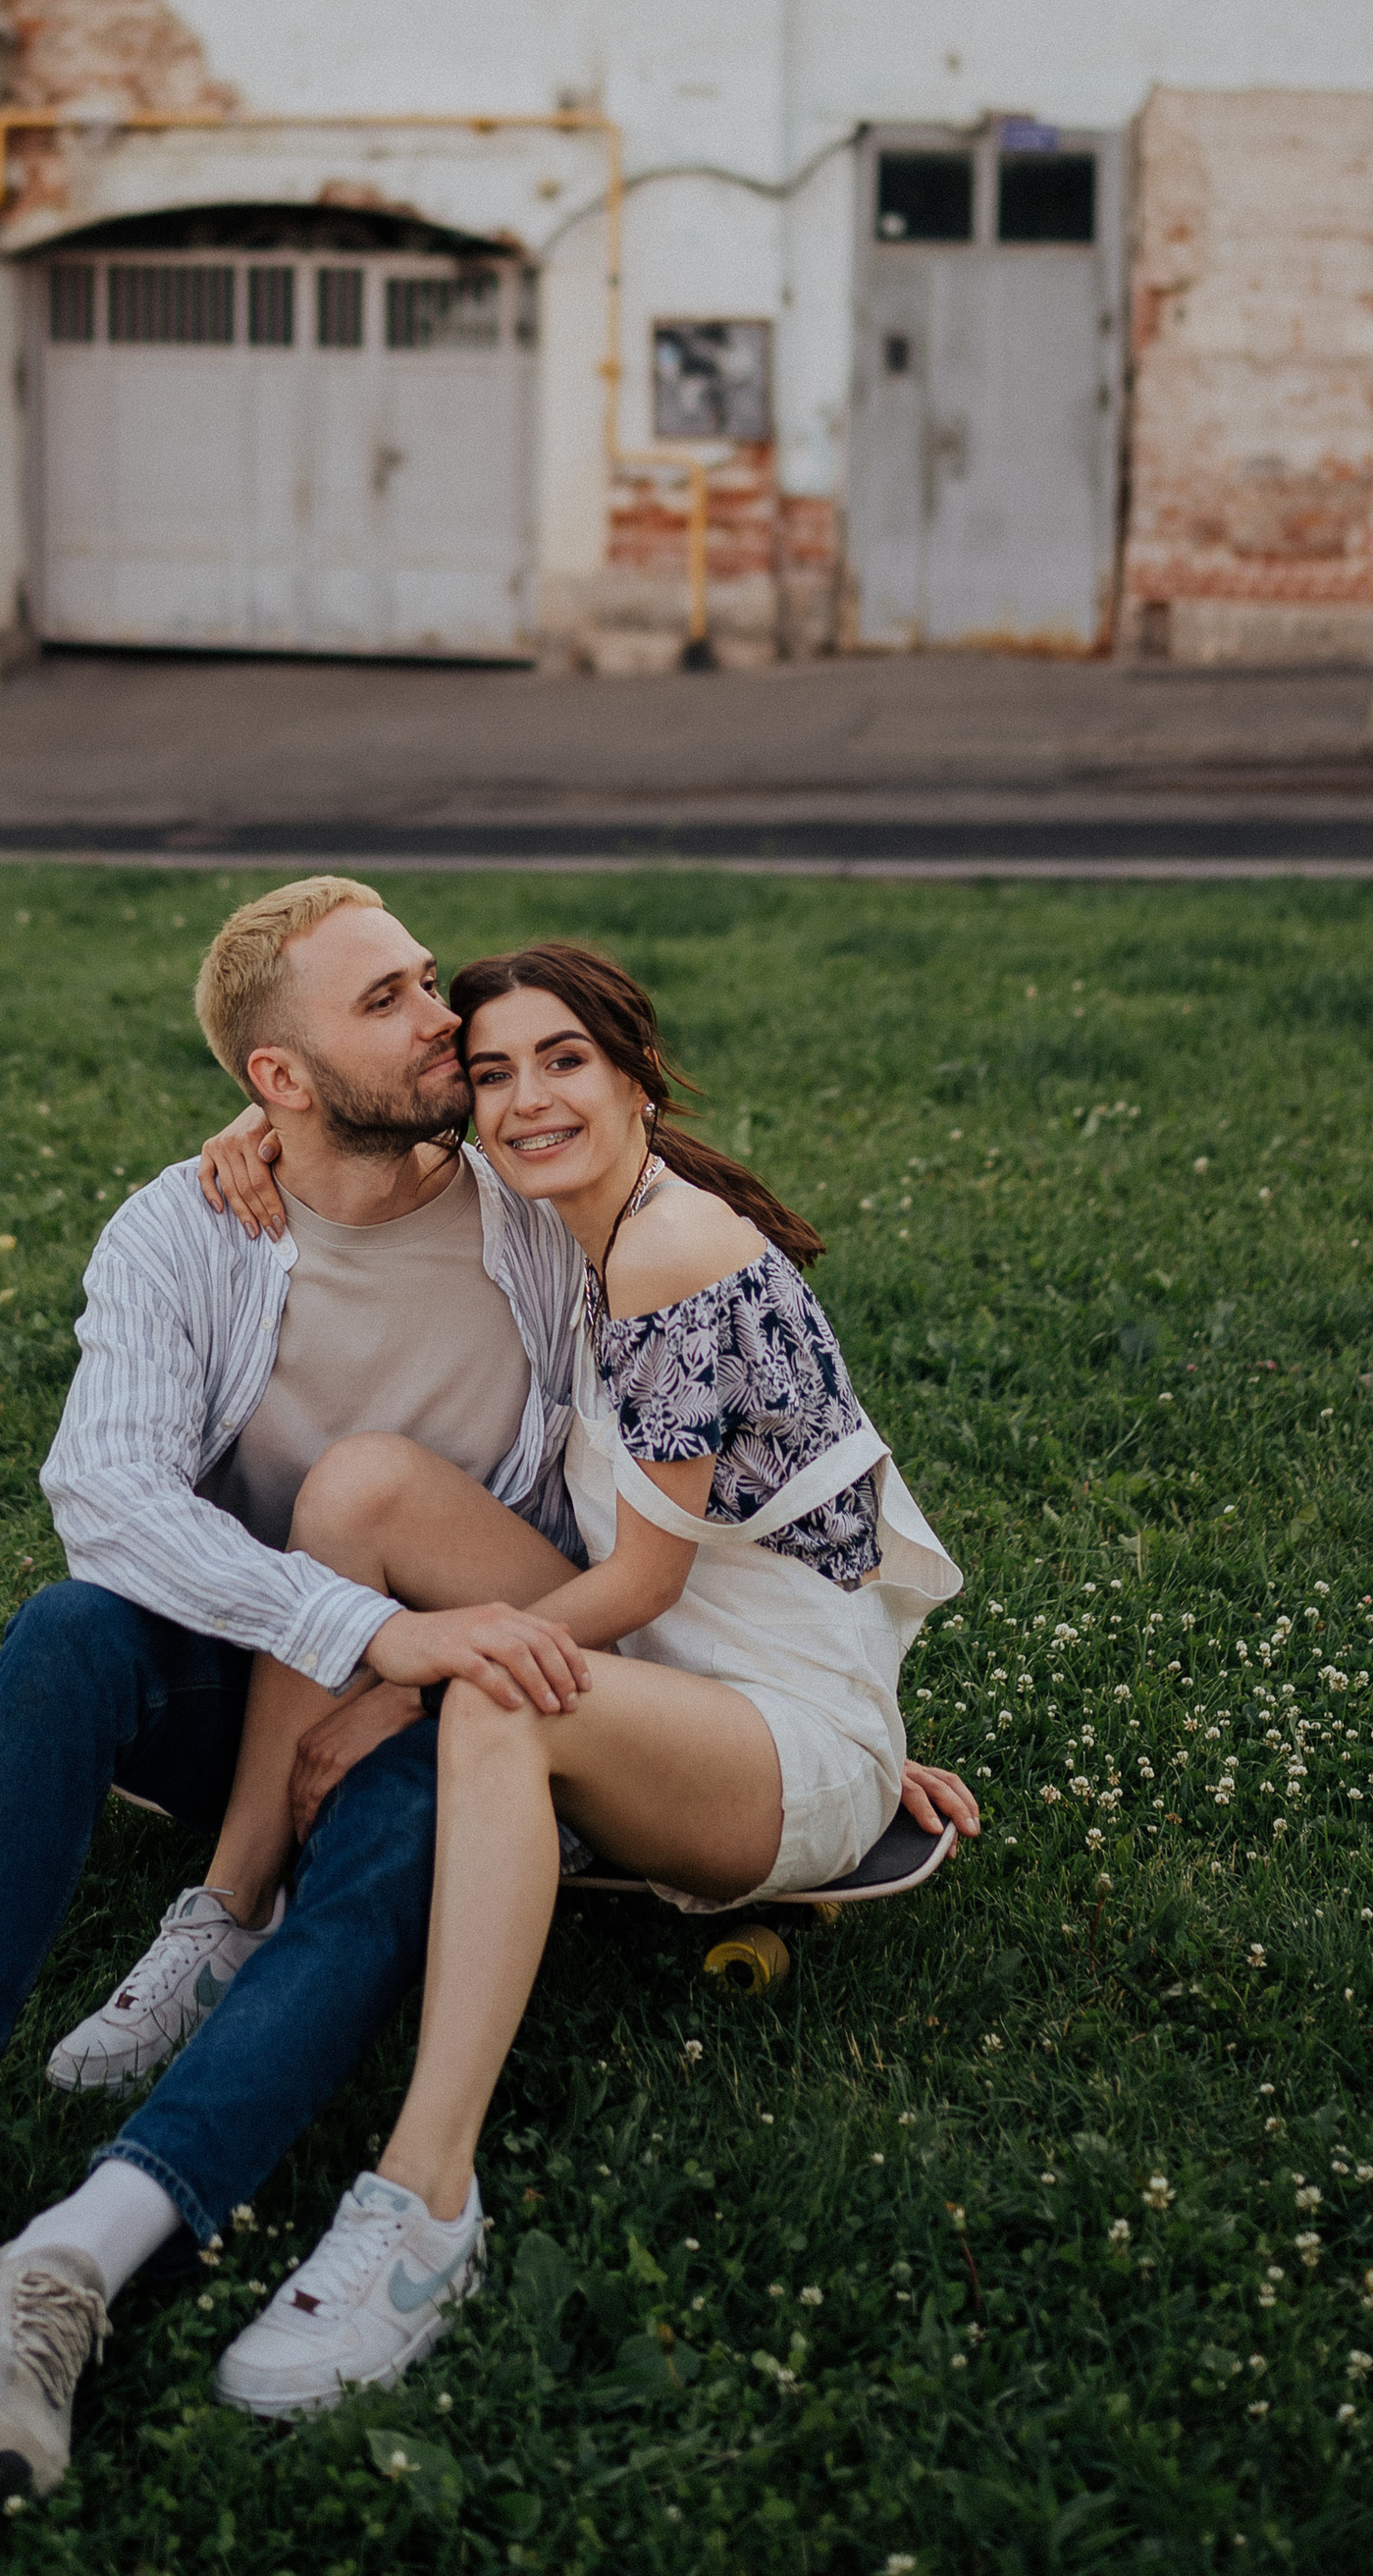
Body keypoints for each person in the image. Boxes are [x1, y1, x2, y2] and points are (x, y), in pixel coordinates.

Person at [0, 874, 594, 2504]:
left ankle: (65, 2266)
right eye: (383, 999)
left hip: (459, 1708)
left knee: (410, 1833)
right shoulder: (187, 1220)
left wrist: (827, 1716)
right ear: (279, 1082)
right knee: (65, 1630)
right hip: (240, 1697)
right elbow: (106, 1496)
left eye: (423, 976)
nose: (442, 1013)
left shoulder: (541, 1213)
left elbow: (701, 1451)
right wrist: (361, 1632)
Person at [187, 940, 975, 2416]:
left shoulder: (674, 1246)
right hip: (688, 1676)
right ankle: (229, 1910)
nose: (528, 1097)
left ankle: (422, 2203)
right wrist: (255, 1132)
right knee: (361, 1486)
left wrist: (398, 1683)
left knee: (501, 1692)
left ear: (636, 1074)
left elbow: (644, 1584)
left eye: (564, 1060)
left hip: (764, 1724)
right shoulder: (589, 1217)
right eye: (492, 1072)